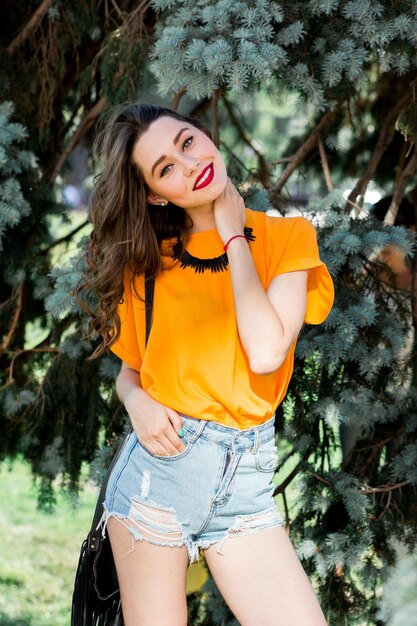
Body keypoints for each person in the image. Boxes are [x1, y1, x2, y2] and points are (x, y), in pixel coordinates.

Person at [79, 102, 334, 626]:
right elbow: (133, 369)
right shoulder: (148, 261)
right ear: (155, 194)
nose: (189, 163)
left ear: (204, 136)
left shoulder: (288, 240)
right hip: (157, 477)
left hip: (247, 483)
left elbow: (265, 351)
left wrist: (233, 234)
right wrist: (135, 402)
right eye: (166, 167)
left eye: (187, 141)